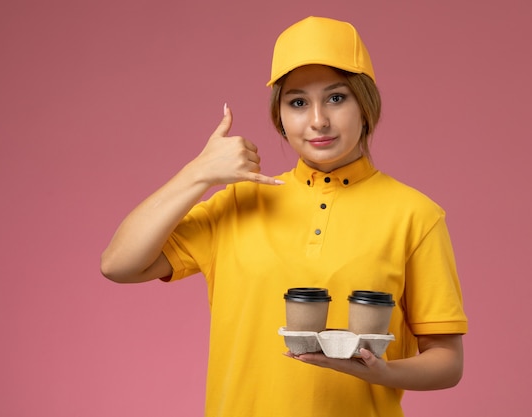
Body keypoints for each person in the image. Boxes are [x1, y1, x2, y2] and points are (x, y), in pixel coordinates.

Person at [101, 16, 467, 417]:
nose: (317, 121)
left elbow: (447, 361)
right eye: (297, 102)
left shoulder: (415, 215)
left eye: (336, 97)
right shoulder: (240, 202)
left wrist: (380, 372)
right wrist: (197, 174)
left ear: (366, 106)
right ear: (280, 117)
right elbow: (119, 265)